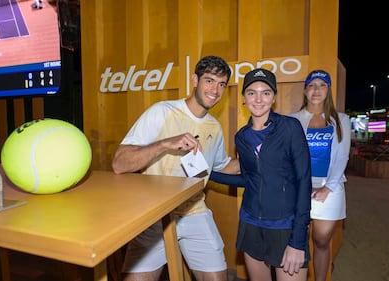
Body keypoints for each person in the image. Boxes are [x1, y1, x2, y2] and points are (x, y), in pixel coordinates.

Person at [112, 55, 239, 281]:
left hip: (194, 212)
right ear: (194, 80)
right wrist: (164, 144)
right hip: (154, 215)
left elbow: (222, 166)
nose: (215, 90)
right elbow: (119, 163)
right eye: (209, 80)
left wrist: (261, 156)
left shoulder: (215, 127)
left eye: (221, 84)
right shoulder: (162, 111)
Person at [210, 68, 312, 281]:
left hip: (285, 226)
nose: (258, 99)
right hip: (250, 223)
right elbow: (248, 180)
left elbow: (304, 181)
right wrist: (208, 175)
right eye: (251, 92)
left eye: (265, 92)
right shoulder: (241, 137)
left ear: (274, 97)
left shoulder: (290, 127)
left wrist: (298, 240)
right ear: (244, 98)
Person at [289, 70, 351, 281]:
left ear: (328, 90)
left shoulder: (341, 120)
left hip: (330, 188)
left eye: (322, 85)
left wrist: (328, 187)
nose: (316, 90)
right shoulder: (292, 120)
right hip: (299, 188)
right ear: (305, 90)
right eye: (312, 85)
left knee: (322, 239)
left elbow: (342, 156)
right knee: (299, 238)